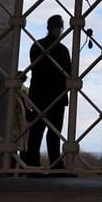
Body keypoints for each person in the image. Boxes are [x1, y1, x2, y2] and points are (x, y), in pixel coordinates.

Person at [27, 14, 71, 176]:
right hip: (51, 95)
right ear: (50, 27)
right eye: (57, 26)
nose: (59, 29)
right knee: (47, 132)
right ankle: (51, 166)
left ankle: (34, 166)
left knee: (43, 132)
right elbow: (68, 73)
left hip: (43, 95)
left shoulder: (38, 46)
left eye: (60, 26)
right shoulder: (59, 49)